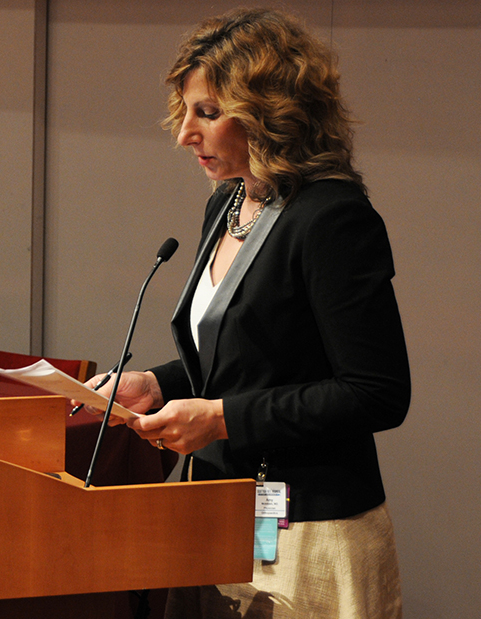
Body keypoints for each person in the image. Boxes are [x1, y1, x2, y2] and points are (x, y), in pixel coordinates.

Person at [77, 8, 410, 619]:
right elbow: (247, 354)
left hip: (309, 526)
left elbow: (377, 393)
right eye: (185, 112)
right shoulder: (229, 204)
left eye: (207, 113)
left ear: (270, 113)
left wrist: (223, 418)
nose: (183, 134)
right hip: (214, 512)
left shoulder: (332, 219)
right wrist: (156, 383)